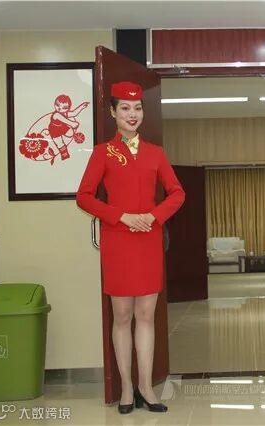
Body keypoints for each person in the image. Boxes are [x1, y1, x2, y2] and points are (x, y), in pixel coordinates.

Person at [76, 81, 185, 415]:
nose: (132, 114)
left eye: (137, 108)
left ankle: (146, 387)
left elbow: (177, 193)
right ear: (113, 112)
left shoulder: (155, 153)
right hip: (119, 241)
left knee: (146, 315)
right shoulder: (102, 153)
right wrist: (121, 216)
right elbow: (84, 197)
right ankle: (126, 388)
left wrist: (153, 216)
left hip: (148, 239)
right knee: (122, 316)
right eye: (125, 108)